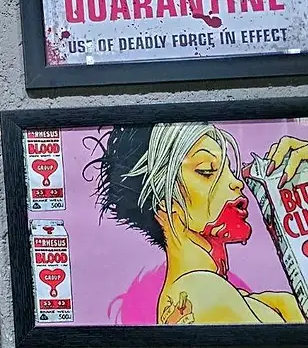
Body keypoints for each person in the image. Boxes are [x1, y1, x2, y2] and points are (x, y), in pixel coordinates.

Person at [90, 123, 307, 324]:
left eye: (228, 169)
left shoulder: (244, 299)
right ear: (163, 201)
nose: (236, 182)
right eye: (207, 171)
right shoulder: (200, 293)